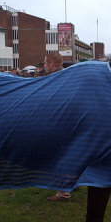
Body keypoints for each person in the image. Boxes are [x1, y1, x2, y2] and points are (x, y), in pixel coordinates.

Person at [43, 52, 70, 202]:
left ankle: (63, 193)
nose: (45, 66)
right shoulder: (68, 75)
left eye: (46, 63)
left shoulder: (54, 79)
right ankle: (71, 184)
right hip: (68, 122)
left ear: (52, 63)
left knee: (59, 158)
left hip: (59, 123)